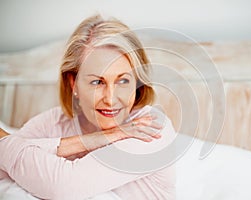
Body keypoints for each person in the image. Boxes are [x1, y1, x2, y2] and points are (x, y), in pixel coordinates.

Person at [0, 14, 176, 199]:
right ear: (73, 83)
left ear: (137, 82)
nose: (110, 98)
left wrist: (4, 140)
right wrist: (99, 138)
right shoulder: (53, 122)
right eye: (97, 82)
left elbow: (64, 185)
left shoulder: (152, 128)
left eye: (123, 80)